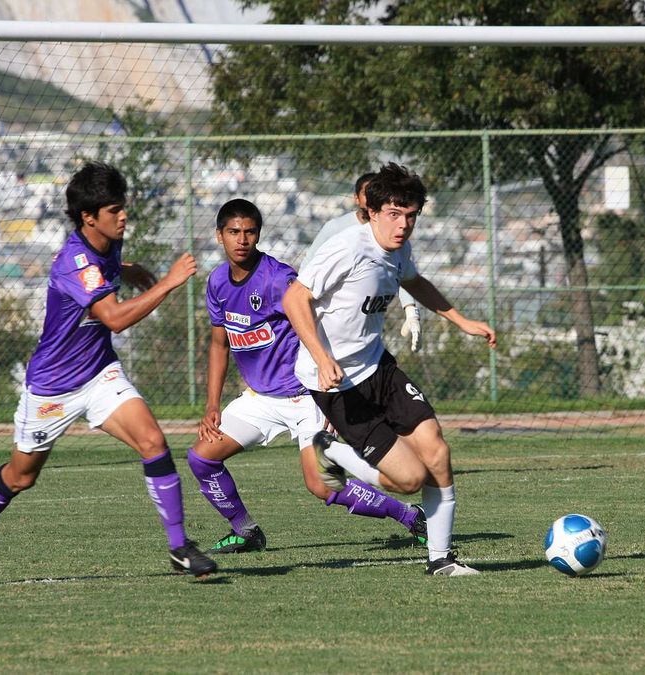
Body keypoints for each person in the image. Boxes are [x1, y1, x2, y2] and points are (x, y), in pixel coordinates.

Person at [0, 161, 217, 582]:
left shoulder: (109, 242)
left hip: (99, 373)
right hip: (52, 387)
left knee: (152, 440)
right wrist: (166, 283)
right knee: (22, 476)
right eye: (114, 210)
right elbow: (113, 318)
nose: (124, 215)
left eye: (123, 206)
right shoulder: (73, 261)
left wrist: (127, 268)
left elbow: (107, 274)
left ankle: (179, 548)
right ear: (88, 217)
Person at [284, 162, 497, 576]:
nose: (403, 224)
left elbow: (414, 281)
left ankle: (441, 561)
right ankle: (333, 454)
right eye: (395, 214)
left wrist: (461, 320)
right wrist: (323, 358)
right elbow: (295, 300)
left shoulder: (399, 249)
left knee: (437, 450)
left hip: (378, 368)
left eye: (411, 215)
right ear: (374, 212)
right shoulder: (347, 247)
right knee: (409, 480)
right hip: (337, 384)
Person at [188, 198, 426, 554]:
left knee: (321, 485)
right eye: (233, 232)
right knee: (202, 458)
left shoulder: (277, 279)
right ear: (219, 236)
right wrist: (211, 405)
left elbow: (322, 322)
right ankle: (246, 530)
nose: (242, 240)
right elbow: (219, 345)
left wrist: (332, 397)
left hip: (304, 395)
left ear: (258, 235)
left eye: (250, 232)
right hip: (261, 398)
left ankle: (411, 517)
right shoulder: (218, 282)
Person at [308, 172, 423, 354]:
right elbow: (307, 272)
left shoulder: (393, 236)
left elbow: (402, 272)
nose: (371, 198)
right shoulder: (337, 230)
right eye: (367, 193)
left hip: (369, 321)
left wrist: (411, 311)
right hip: (330, 326)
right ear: (356, 198)